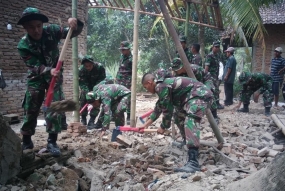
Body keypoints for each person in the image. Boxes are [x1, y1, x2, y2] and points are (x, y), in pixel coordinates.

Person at [17, 7, 83, 156]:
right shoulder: (23, 45)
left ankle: (52, 141)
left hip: (55, 77)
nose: (36, 30)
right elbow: (33, 65)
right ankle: (27, 140)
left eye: (39, 26)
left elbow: (72, 32)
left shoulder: (52, 31)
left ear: (42, 24)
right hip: (36, 78)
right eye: (32, 27)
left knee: (55, 108)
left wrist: (74, 23)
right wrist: (48, 70)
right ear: (25, 27)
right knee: (31, 107)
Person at [140, 73, 213, 173]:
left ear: (149, 82)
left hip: (200, 96)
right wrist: (145, 125)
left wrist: (163, 126)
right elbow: (158, 108)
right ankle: (185, 141)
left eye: (145, 87)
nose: (146, 89)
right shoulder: (161, 86)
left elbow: (167, 110)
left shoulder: (160, 86)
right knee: (178, 116)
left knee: (190, 120)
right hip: (192, 98)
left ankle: (193, 162)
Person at [171, 58, 218, 124]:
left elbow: (199, 83)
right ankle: (193, 115)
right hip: (193, 84)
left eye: (177, 69)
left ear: (182, 67)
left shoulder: (194, 70)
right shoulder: (177, 74)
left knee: (207, 94)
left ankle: (214, 116)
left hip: (206, 80)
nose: (176, 71)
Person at [78, 55, 106, 129]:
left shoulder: (100, 67)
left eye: (89, 66)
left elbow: (102, 80)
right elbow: (82, 83)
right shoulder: (81, 69)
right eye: (86, 66)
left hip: (97, 87)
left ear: (93, 63)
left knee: (96, 101)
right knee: (83, 99)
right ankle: (83, 120)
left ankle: (91, 121)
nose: (88, 68)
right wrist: (87, 92)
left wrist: (95, 90)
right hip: (86, 88)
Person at [116, 41, 132, 124]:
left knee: (128, 99)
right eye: (121, 50)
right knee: (118, 98)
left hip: (127, 81)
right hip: (119, 81)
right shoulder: (121, 56)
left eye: (124, 50)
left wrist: (132, 84)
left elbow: (133, 72)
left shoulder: (132, 59)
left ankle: (129, 116)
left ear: (128, 49)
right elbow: (119, 68)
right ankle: (119, 116)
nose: (122, 51)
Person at [205, 41, 224, 109]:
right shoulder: (209, 56)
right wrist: (206, 76)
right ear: (213, 47)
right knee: (213, 90)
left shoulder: (217, 55)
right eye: (216, 47)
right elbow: (206, 67)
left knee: (216, 90)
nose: (217, 48)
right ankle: (213, 104)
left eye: (218, 47)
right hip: (210, 76)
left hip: (215, 76)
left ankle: (216, 103)